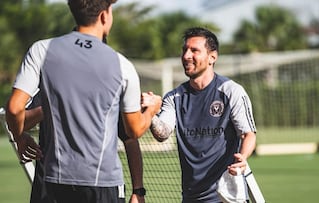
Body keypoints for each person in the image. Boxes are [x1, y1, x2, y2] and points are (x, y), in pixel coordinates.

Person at [5, 0, 161, 202]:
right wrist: (152, 109)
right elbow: (134, 130)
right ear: (105, 16)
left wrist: (19, 137)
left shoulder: (41, 50)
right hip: (103, 184)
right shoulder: (122, 65)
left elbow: (14, 108)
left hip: (54, 182)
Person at [146, 27, 257, 202]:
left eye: (194, 50)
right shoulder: (174, 97)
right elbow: (162, 133)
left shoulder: (231, 91)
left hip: (225, 197)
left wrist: (242, 158)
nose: (186, 56)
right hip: (191, 197)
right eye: (184, 50)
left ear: (212, 57)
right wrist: (150, 113)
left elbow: (248, 133)